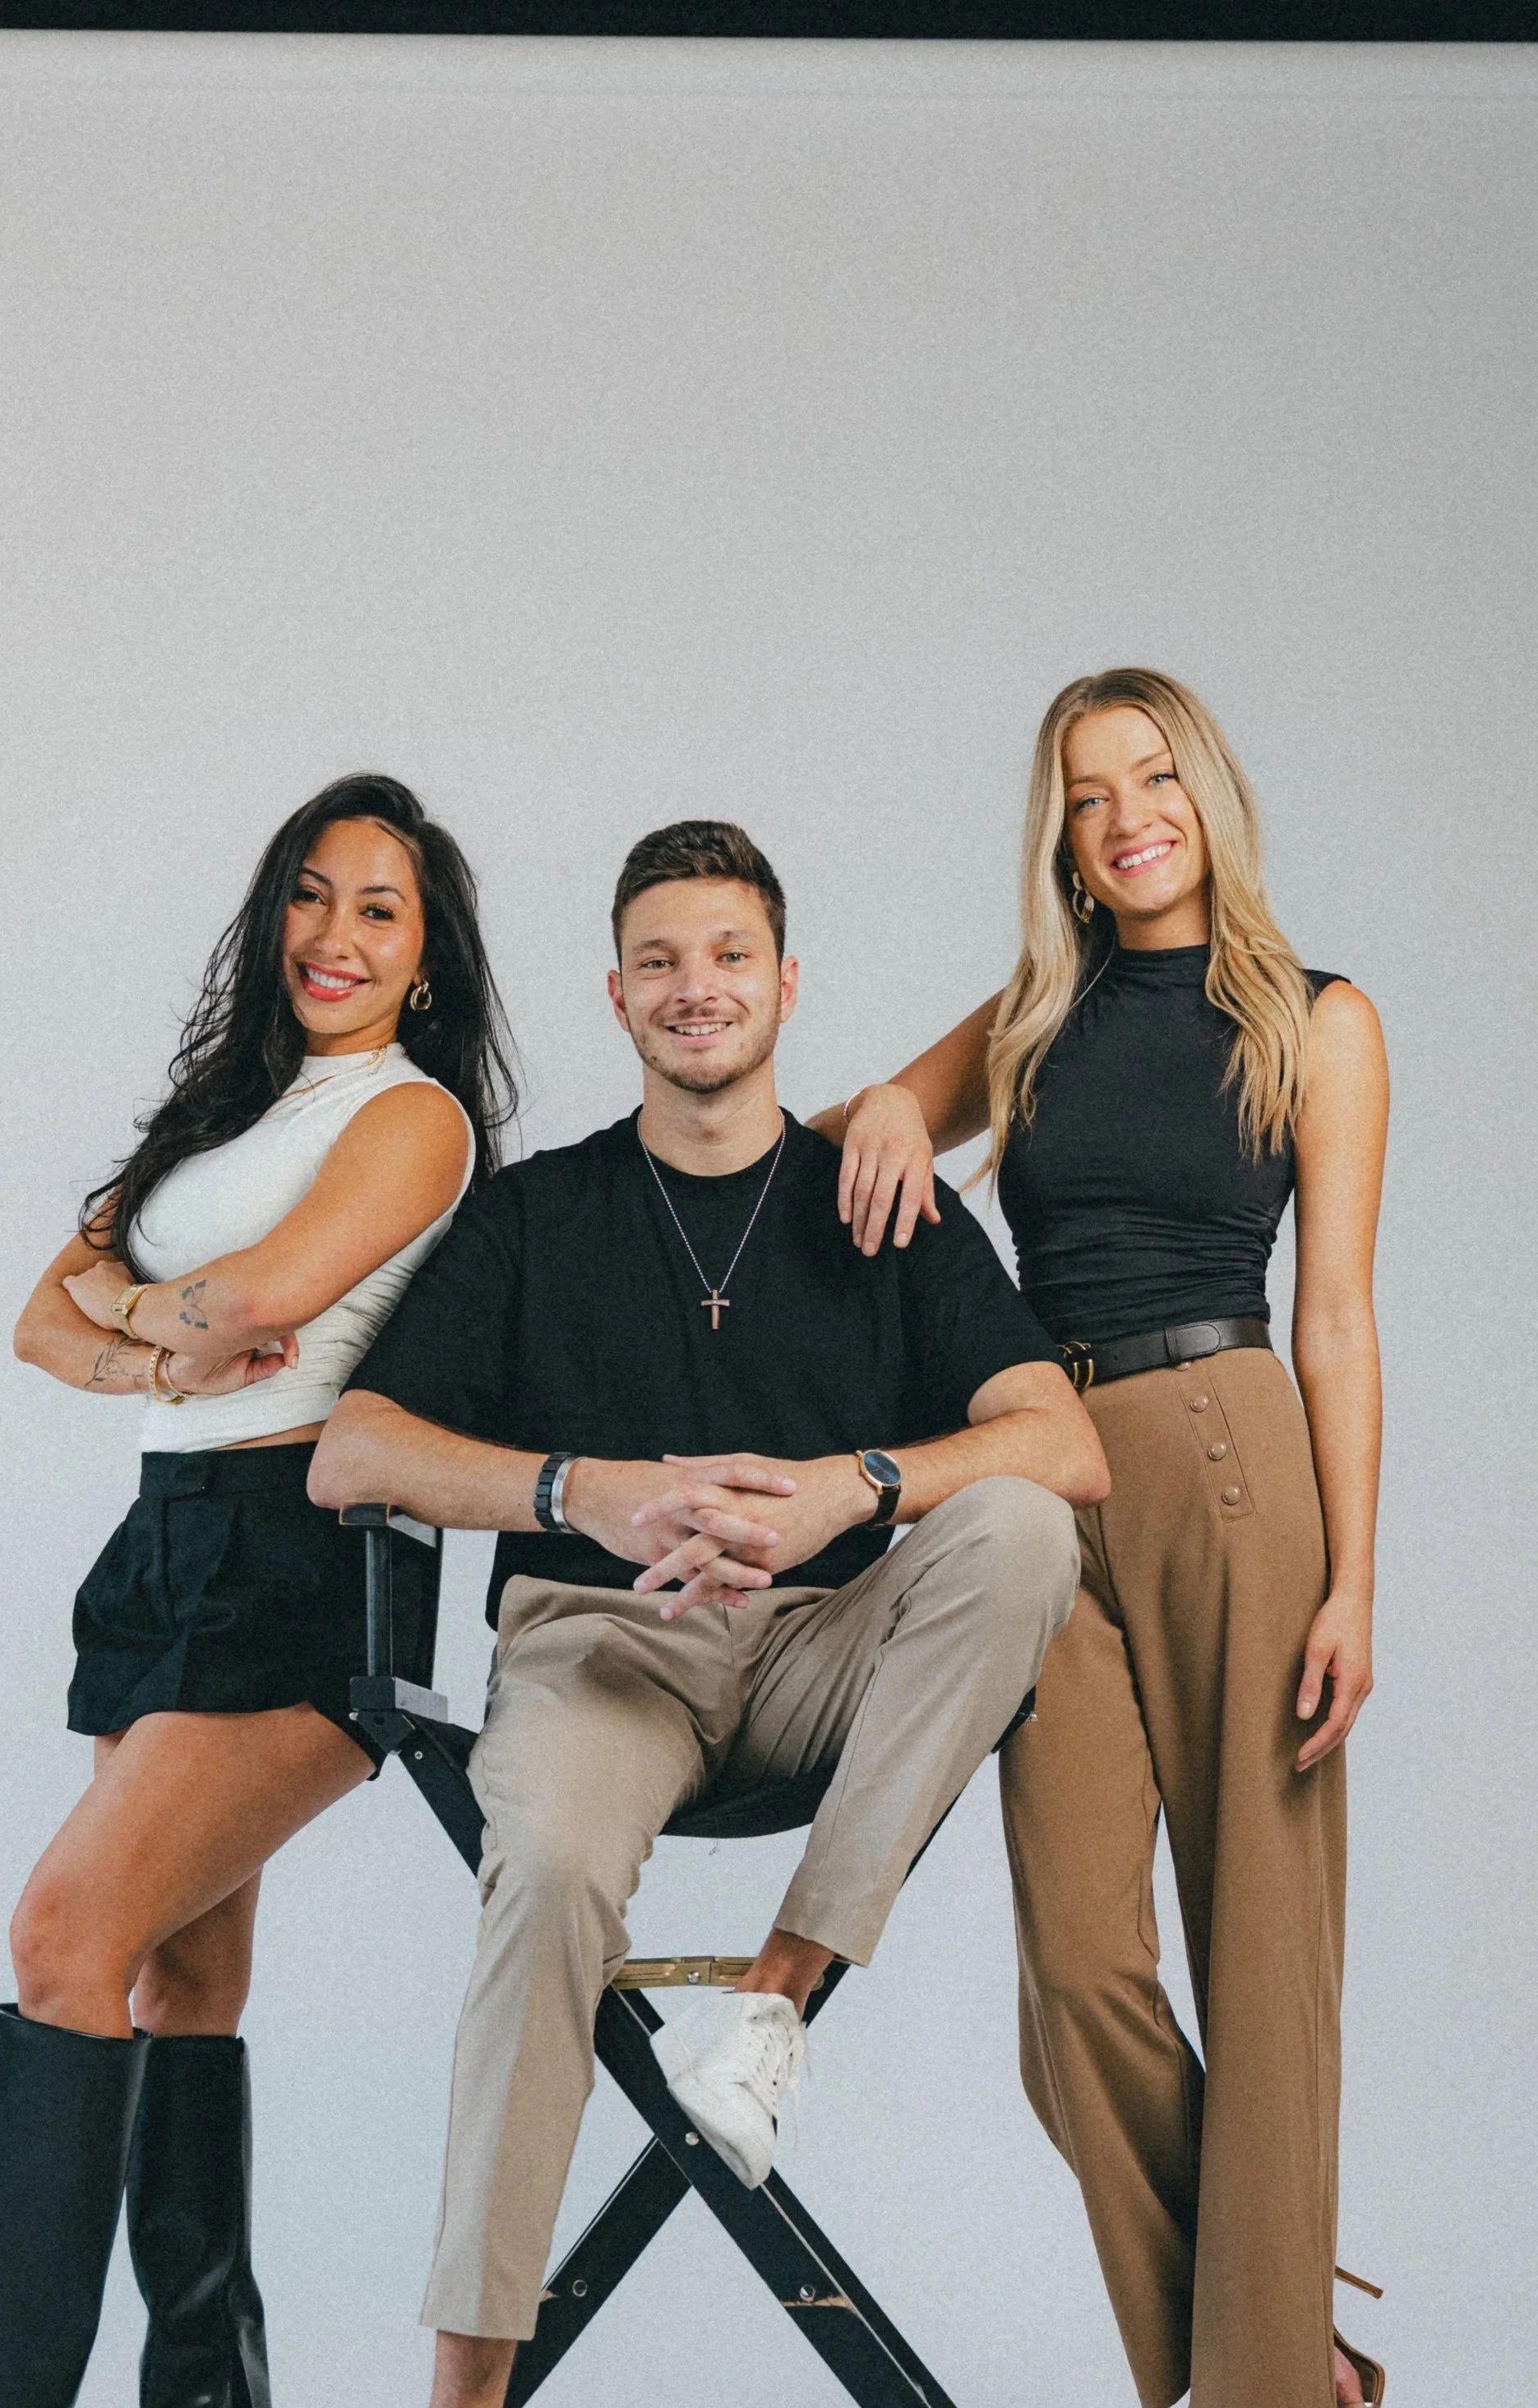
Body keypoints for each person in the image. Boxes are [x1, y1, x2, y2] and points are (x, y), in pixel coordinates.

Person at [309, 817, 1107, 2408]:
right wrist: (576, 1490)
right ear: (616, 996)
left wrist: (852, 1486)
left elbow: (1063, 1446)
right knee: (536, 1875)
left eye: (729, 956)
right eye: (661, 962)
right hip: (604, 1658)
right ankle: (465, 2391)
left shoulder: (883, 1201)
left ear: (787, 985)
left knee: (1019, 1530)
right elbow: (354, 1450)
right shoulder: (536, 1214)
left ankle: (773, 2005)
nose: (698, 989)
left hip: (829, 1652)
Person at [813, 669, 1390, 2408]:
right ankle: (1294, 2360)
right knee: (1075, 1980)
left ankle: (1257, 2388)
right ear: (1059, 838)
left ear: (1207, 796)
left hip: (1230, 1457)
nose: (1129, 813)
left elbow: (1339, 1319)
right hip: (1037, 1483)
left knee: (1266, 1961)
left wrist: (1355, 1578)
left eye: (1153, 777)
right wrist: (905, 1110)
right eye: (1087, 792)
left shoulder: (1315, 1015)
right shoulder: (1033, 1018)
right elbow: (859, 1133)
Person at [0, 774, 516, 2408]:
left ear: (426, 959)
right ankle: (210, 2394)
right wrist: (146, 1326)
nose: (334, 934)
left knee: (64, 1931)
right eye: (311, 895)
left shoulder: (409, 1121)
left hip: (301, 1552)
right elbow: (41, 1320)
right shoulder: (221, 1116)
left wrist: (136, 1313)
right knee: (171, 1979)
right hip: (162, 1545)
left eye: (378, 910)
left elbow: (261, 1299)